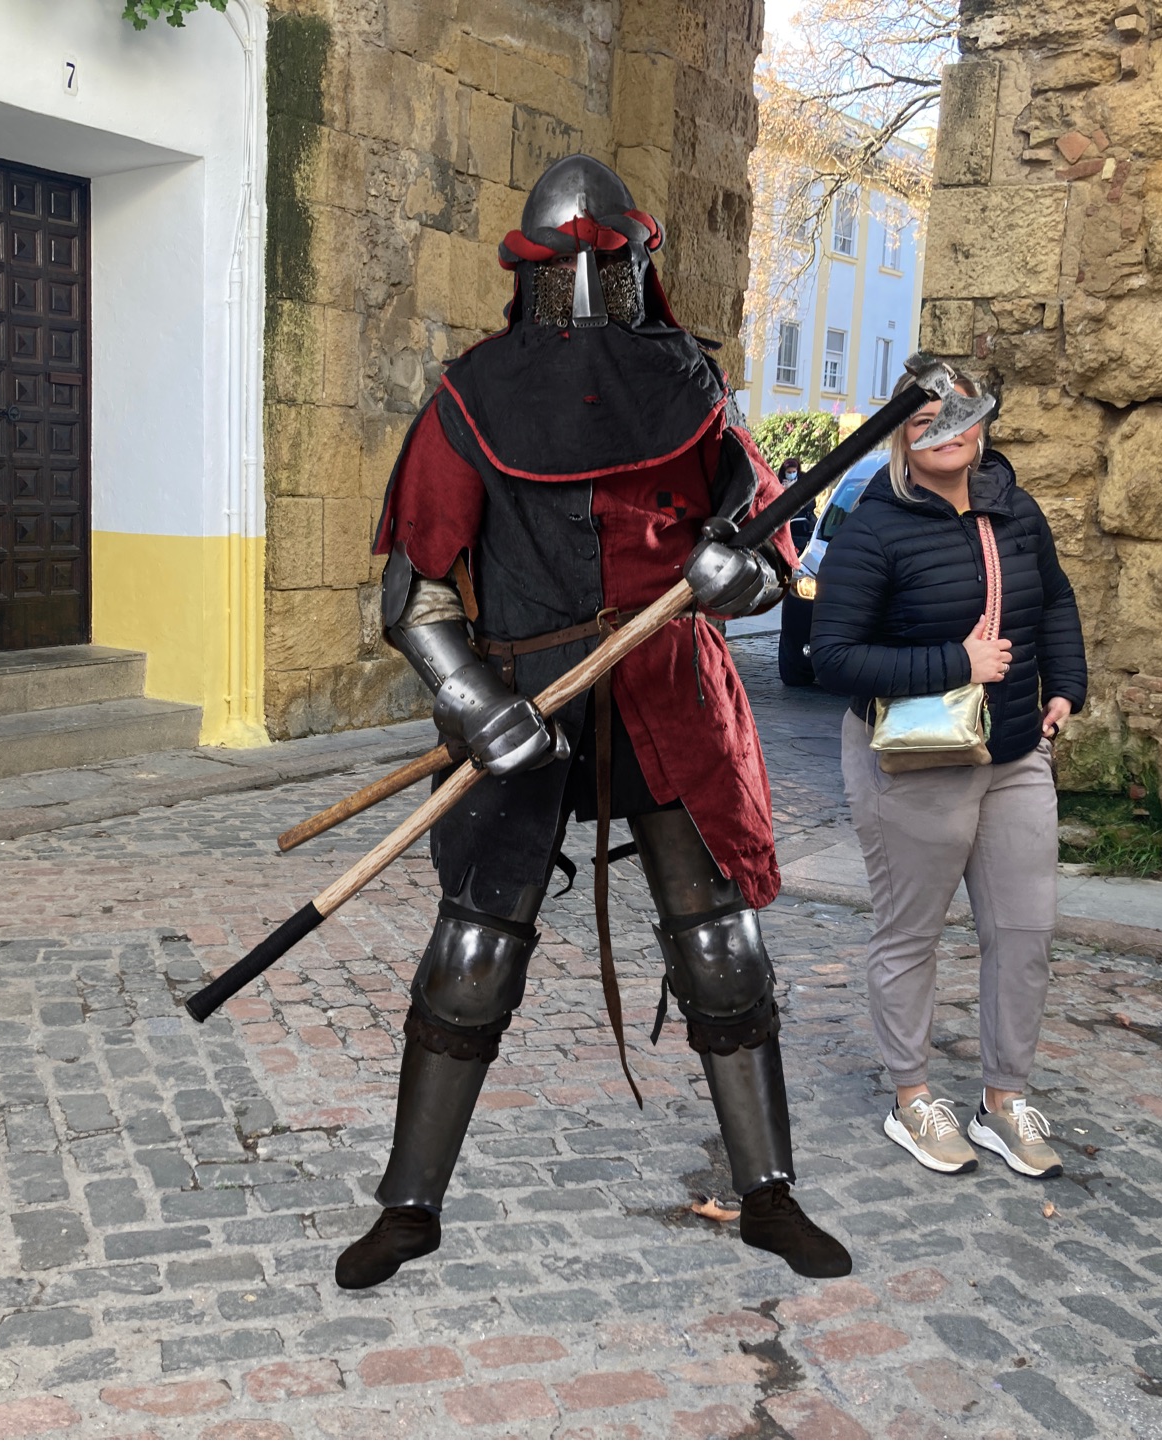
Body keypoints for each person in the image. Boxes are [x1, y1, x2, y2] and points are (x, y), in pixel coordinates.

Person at [338, 154, 853, 1289]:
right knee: (472, 949)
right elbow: (416, 591)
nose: (583, 288)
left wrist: (740, 569)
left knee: (719, 942)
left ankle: (768, 1193)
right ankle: (410, 1205)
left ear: (629, 269)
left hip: (669, 684)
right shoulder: (469, 397)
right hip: (528, 694)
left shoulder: (693, 388)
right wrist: (473, 701)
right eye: (572, 269)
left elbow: (771, 535)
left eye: (599, 267)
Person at [808, 366, 1087, 1179]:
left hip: (1013, 755)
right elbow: (833, 656)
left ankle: (1004, 1101)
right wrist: (954, 661)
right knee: (911, 932)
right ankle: (912, 1097)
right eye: (927, 417)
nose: (946, 430)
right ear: (901, 430)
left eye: (960, 415)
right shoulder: (875, 524)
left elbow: (1057, 601)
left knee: (1025, 930)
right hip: (914, 759)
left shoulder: (1015, 506)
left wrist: (1066, 685)